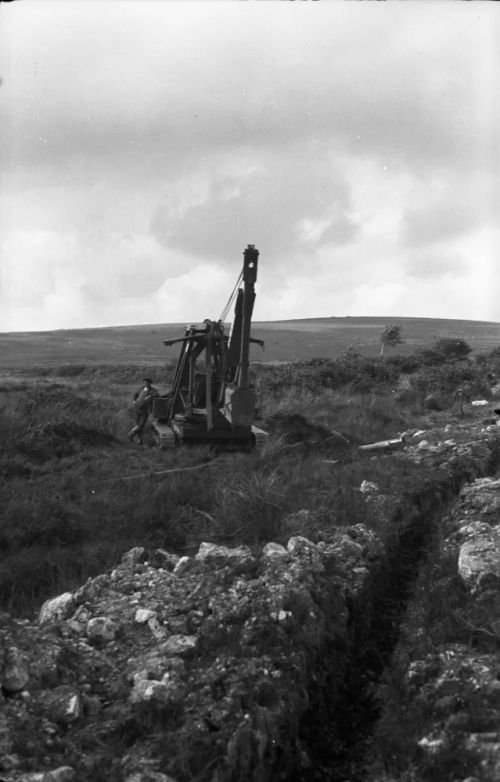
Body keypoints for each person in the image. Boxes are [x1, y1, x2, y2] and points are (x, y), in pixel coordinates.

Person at [127, 377, 159, 444]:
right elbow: (135, 394)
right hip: (137, 409)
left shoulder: (152, 390)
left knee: (141, 425)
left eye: (147, 382)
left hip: (145, 410)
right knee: (138, 425)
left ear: (150, 383)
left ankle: (130, 434)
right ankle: (140, 440)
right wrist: (134, 401)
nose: (145, 383)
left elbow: (156, 394)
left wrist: (150, 396)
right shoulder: (141, 389)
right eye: (144, 382)